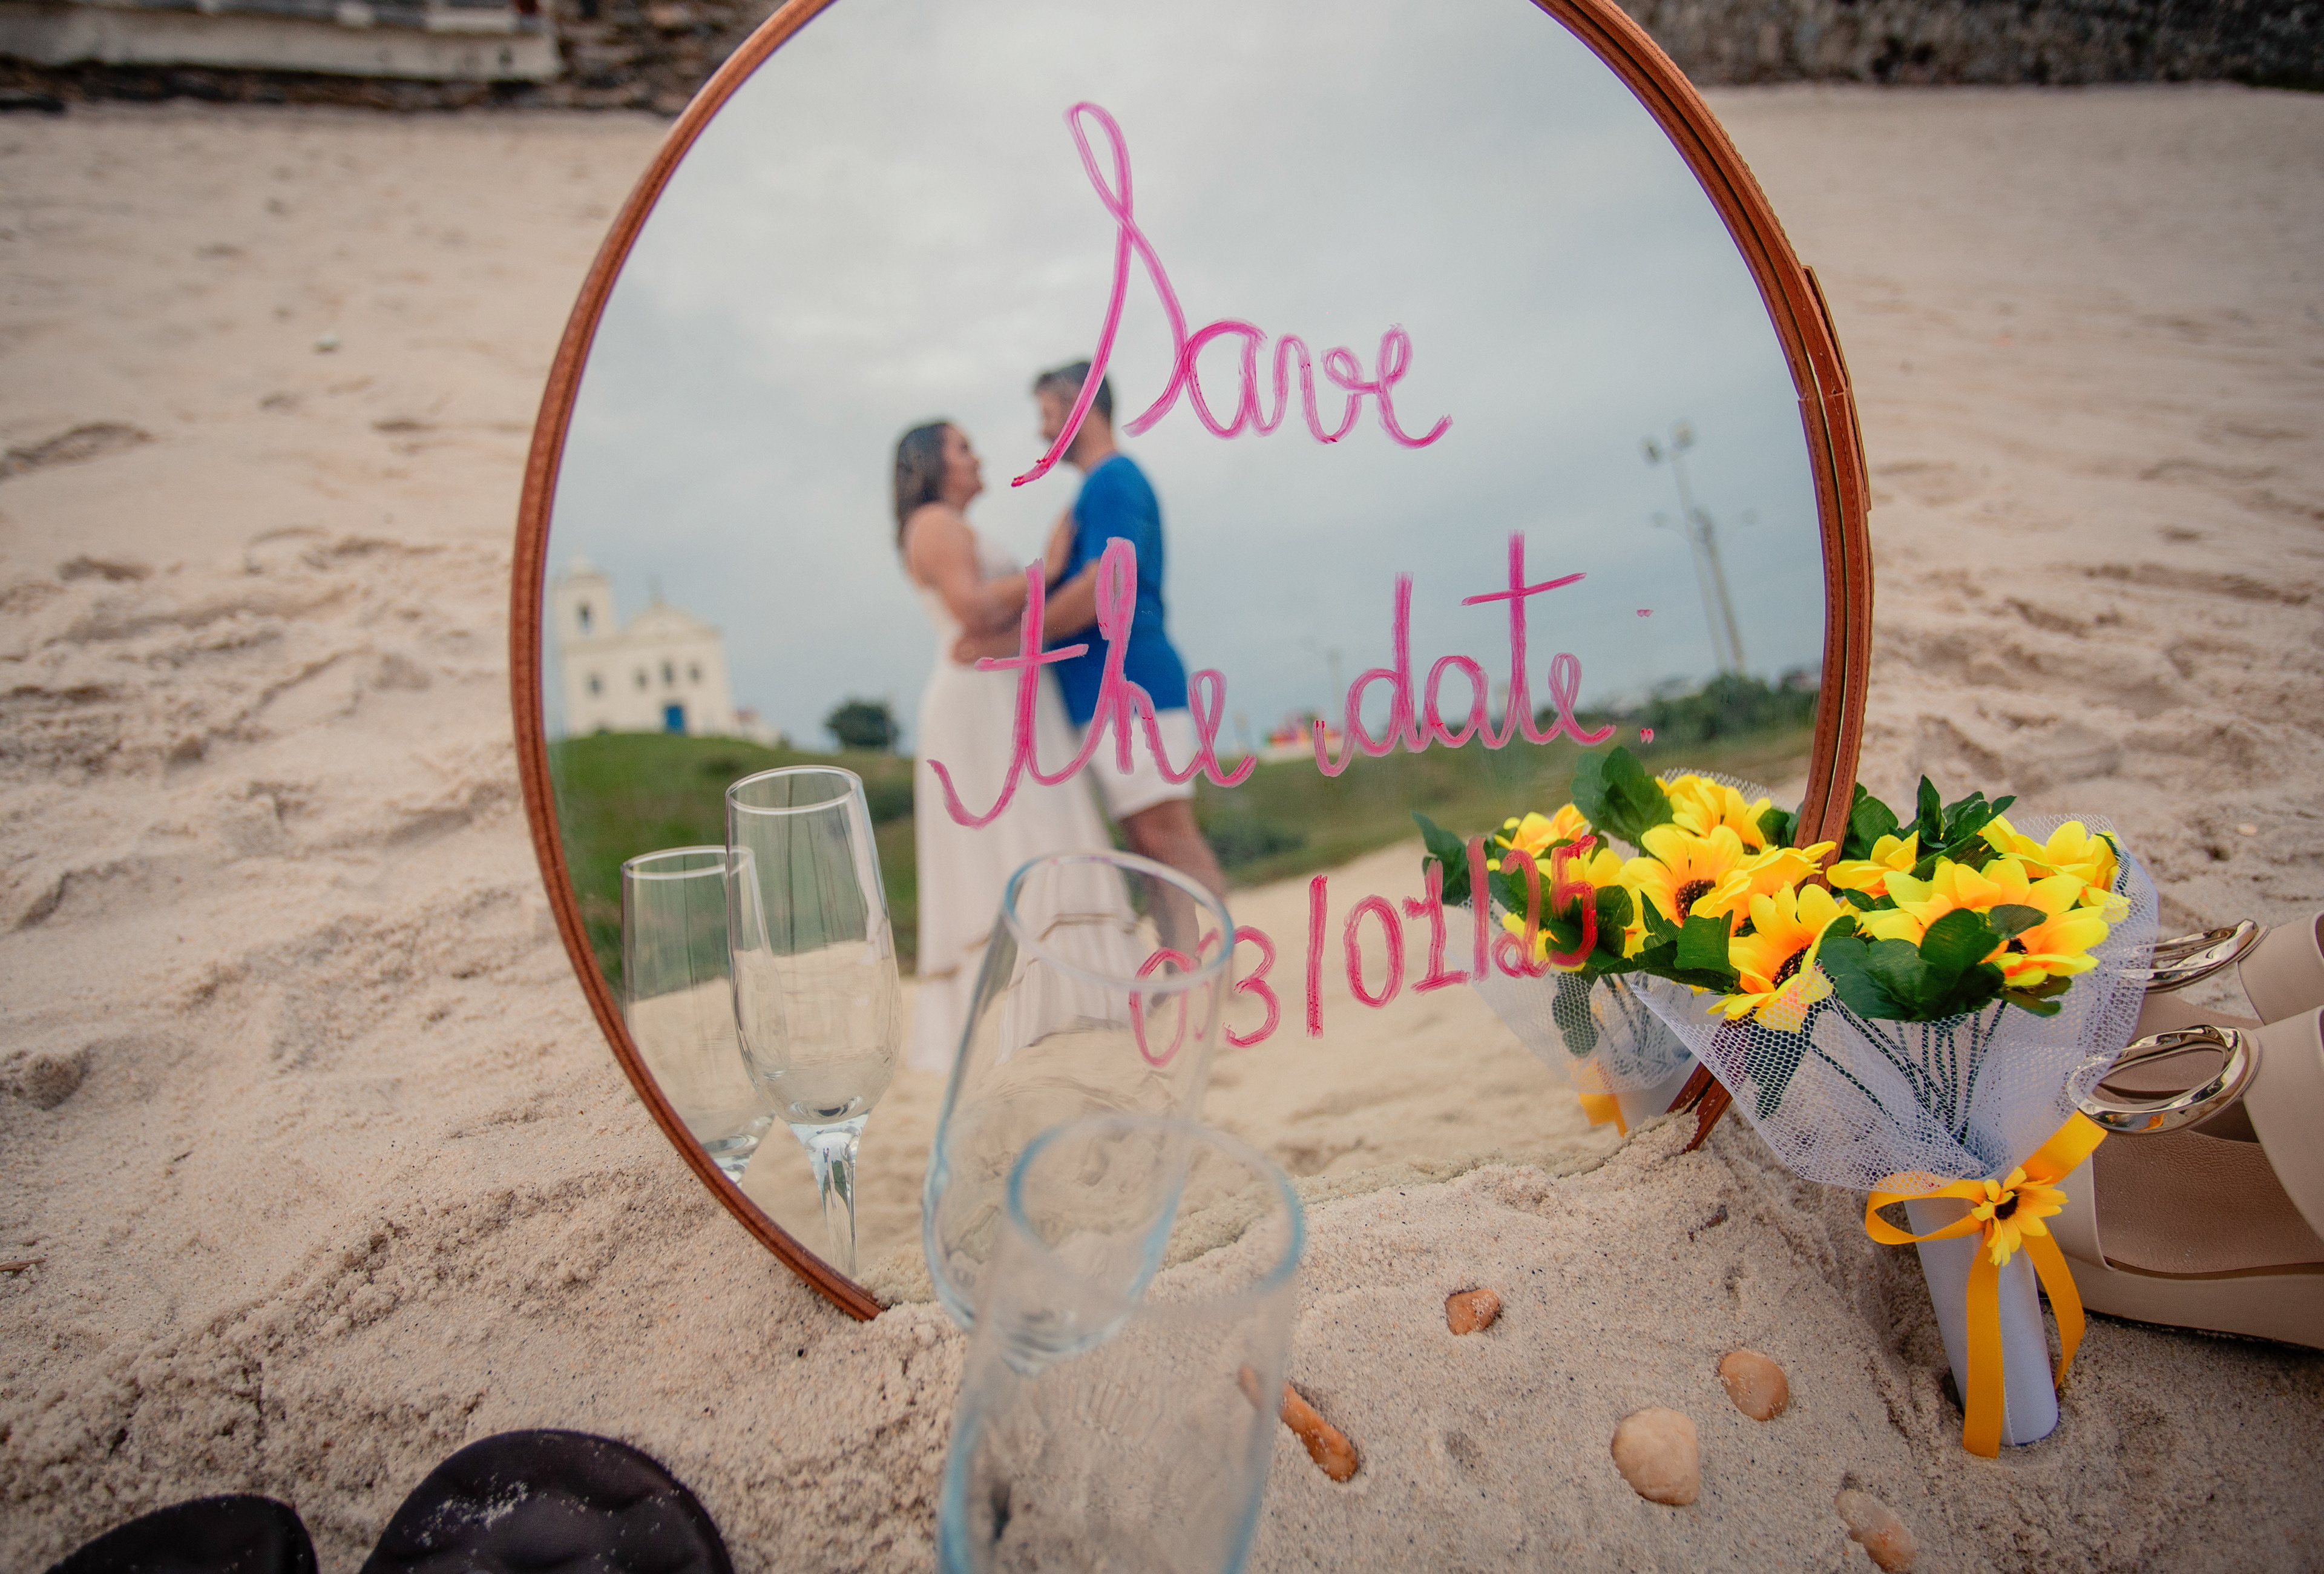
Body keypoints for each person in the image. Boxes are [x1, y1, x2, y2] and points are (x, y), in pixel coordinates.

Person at [957, 363, 1227, 941]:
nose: (1041, 432)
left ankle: (1221, 967)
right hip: (1110, 692)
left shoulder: (1113, 481)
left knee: (1166, 837)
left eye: (1047, 414)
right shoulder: (1098, 488)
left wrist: (1015, 640)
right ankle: (1185, 967)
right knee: (1149, 845)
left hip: (1131, 685)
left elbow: (1108, 584)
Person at [893, 420, 1125, 1070]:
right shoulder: (933, 522)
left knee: (1035, 826)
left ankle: (1068, 993)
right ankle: (1029, 1002)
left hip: (1001, 685)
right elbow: (971, 608)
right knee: (1012, 834)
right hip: (979, 698)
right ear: (932, 463)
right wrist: (1049, 569)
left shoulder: (950, 525)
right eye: (963, 448)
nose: (977, 458)